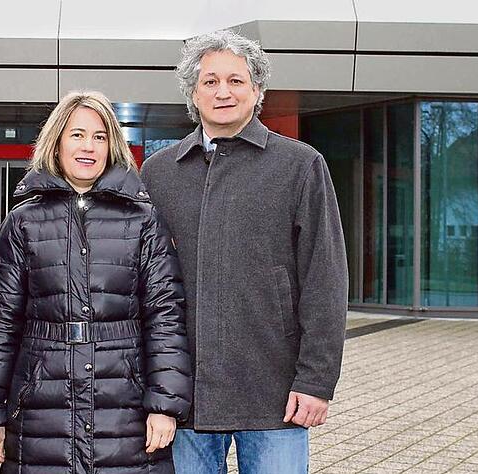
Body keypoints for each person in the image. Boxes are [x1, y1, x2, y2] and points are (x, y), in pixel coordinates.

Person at [140, 30, 348, 473]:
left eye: (236, 81)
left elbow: (325, 280)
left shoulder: (300, 164)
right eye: (210, 81)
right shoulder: (159, 172)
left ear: (257, 91)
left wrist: (316, 381)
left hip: (275, 394)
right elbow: (143, 282)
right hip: (186, 396)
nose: (223, 92)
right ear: (193, 94)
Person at [0, 91, 192, 473]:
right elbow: (2, 325)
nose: (88, 146)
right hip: (41, 407)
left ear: (112, 146)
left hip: (125, 407)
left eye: (99, 136)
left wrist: (164, 406)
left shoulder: (143, 221)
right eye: (76, 135)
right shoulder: (22, 221)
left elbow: (165, 318)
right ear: (56, 142)